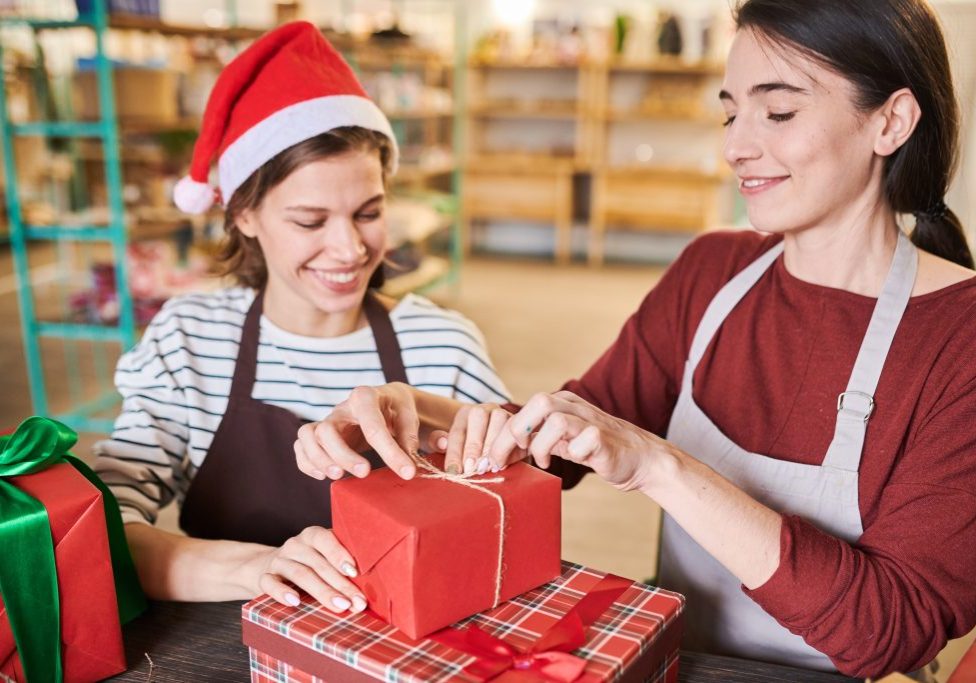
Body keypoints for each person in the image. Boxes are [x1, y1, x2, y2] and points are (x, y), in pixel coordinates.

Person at [292, 0, 976, 678]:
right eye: (731, 111)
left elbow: (889, 629)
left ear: (890, 120)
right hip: (676, 660)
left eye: (779, 111)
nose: (736, 145)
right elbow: (580, 426)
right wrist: (420, 414)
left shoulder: (959, 336)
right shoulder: (713, 270)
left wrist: (658, 464)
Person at [92, 22, 509, 615]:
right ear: (243, 215)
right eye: (310, 222)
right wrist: (258, 567)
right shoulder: (189, 342)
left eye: (368, 213)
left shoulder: (443, 346)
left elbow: (507, 515)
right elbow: (102, 532)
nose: (348, 249)